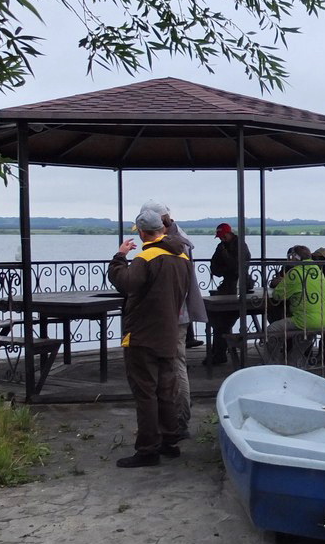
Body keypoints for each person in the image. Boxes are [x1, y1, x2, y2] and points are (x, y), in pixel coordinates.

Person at [108, 208, 191, 467]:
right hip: (169, 332)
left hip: (143, 334)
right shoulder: (183, 258)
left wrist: (120, 257)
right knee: (167, 390)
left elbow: (125, 283)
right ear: (163, 229)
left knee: (145, 392)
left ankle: (147, 450)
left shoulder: (146, 257)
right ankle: (170, 441)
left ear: (143, 233)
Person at [139, 199, 206, 441]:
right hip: (176, 313)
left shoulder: (174, 243)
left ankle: (178, 420)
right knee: (171, 364)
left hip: (173, 314)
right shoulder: (179, 239)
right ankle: (172, 420)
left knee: (175, 366)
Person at [265, 245, 325, 365]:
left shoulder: (295, 272)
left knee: (270, 331)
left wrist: (280, 283)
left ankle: (273, 363)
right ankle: (294, 362)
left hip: (307, 320)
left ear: (294, 257)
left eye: (290, 257)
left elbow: (278, 295)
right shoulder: (317, 271)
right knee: (307, 335)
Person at [205, 222, 252, 364]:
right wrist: (224, 269)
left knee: (223, 320)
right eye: (219, 237)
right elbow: (214, 266)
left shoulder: (240, 246)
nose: (221, 239)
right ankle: (218, 351)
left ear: (228, 233)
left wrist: (225, 262)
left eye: (222, 236)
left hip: (239, 286)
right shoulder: (221, 247)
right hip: (227, 285)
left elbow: (237, 267)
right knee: (217, 318)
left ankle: (219, 353)